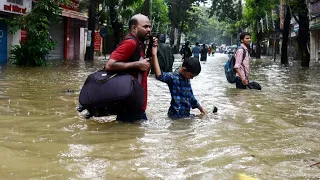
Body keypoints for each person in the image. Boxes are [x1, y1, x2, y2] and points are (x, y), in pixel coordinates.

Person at [105, 14, 153, 121]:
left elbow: (145, 72)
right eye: (145, 27)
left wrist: (151, 50)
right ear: (134, 28)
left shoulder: (139, 44)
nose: (149, 29)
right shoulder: (130, 43)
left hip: (134, 104)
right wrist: (137, 64)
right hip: (131, 105)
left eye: (150, 27)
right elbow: (109, 65)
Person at [151, 47, 208, 118]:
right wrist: (154, 54)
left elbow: (191, 97)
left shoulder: (186, 78)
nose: (192, 78)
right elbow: (159, 76)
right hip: (175, 115)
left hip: (185, 115)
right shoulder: (172, 77)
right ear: (184, 69)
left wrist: (201, 108)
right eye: (191, 76)